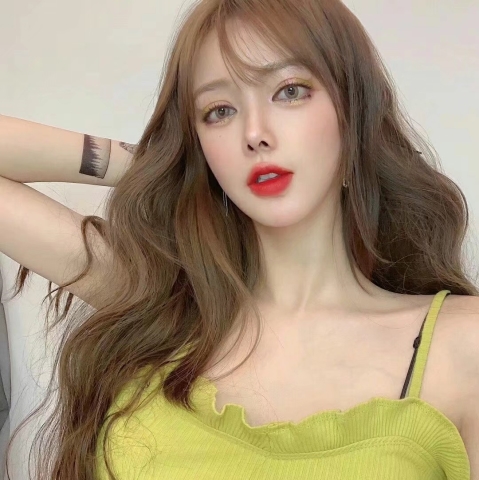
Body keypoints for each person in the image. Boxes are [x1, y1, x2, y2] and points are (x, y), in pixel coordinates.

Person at [0, 0, 478, 479]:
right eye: (220, 111)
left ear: (353, 111)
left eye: (290, 91)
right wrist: (164, 167)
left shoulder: (461, 344)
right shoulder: (165, 306)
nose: (254, 133)